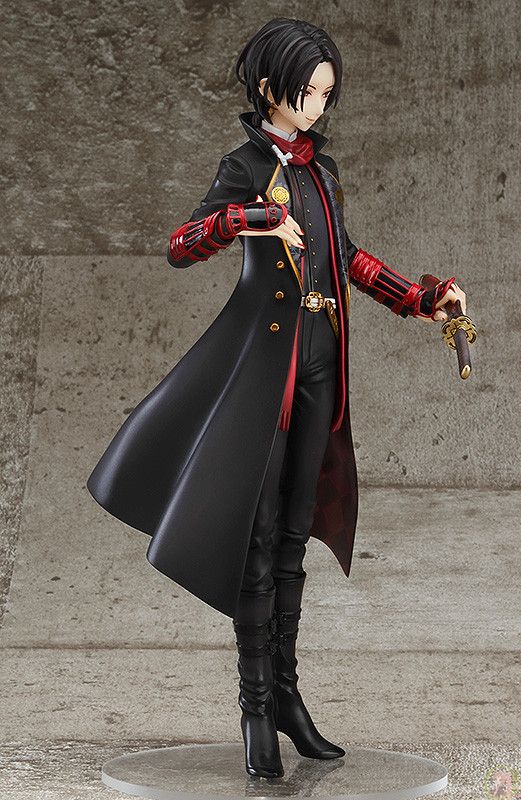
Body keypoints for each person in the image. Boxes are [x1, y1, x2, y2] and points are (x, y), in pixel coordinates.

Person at [87, 17, 467, 780]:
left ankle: (288, 698)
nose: (320, 106)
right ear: (270, 88)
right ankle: (256, 708)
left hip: (324, 363)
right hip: (269, 372)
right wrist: (250, 219)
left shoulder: (320, 172)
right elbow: (180, 245)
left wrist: (418, 299)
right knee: (258, 543)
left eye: (327, 94)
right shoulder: (246, 166)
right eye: (309, 92)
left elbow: (345, 256)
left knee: (294, 535)